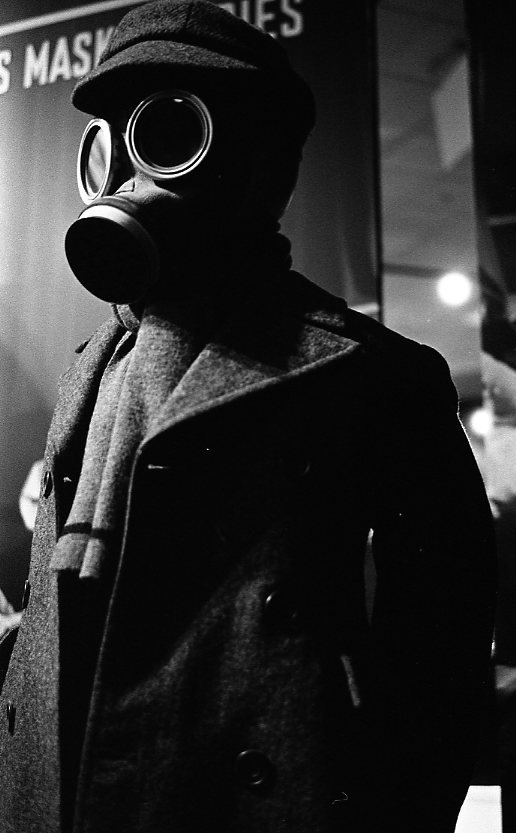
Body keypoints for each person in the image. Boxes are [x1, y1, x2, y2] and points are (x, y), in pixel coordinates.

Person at [0, 2, 496, 831]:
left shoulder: (374, 377)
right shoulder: (93, 364)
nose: (126, 183)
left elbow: (441, 655)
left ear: (261, 167)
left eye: (165, 136)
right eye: (109, 150)